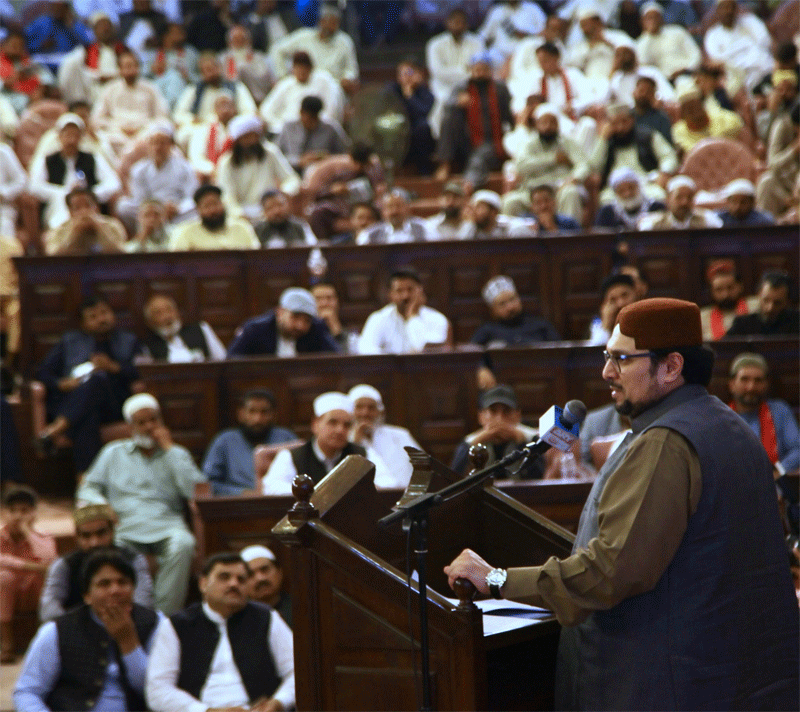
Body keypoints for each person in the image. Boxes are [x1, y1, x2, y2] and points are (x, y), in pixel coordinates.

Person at [444, 298, 799, 710]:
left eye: (621, 359)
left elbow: (612, 572)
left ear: (671, 367)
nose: (606, 372)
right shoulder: (728, 426)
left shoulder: (666, 442)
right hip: (732, 678)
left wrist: (498, 580)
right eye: (606, 356)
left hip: (664, 685)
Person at [76, 393, 207, 615]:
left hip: (167, 525)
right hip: (125, 527)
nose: (148, 427)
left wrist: (170, 450)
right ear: (130, 427)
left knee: (183, 544)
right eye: (141, 422)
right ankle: (136, 615)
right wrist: (103, 506)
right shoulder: (112, 453)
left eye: (153, 420)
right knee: (114, 550)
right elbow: (87, 488)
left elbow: (195, 490)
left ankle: (164, 617)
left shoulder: (176, 454)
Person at [145, 552, 295, 712]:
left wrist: (278, 702)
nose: (233, 584)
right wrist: (205, 711)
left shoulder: (267, 617)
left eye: (241, 579)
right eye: (224, 577)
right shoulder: (177, 625)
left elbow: (297, 672)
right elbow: (157, 690)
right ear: (203, 583)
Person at [14, 548, 161, 712]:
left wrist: (128, 642)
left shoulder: (155, 624)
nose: (115, 590)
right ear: (87, 596)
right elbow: (27, 692)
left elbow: (157, 692)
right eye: (104, 584)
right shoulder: (57, 631)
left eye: (123, 582)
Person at [34, 295, 141, 473]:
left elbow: (143, 373)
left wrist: (113, 367)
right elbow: (42, 372)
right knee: (87, 416)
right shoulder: (70, 342)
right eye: (93, 316)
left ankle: (54, 431)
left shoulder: (129, 341)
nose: (102, 319)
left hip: (114, 404)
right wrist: (61, 384)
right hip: (77, 403)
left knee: (98, 379)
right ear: (83, 324)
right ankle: (85, 484)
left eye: (104, 313)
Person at [39, 503, 153, 624]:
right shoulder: (64, 565)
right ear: (76, 538)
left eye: (101, 533)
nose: (95, 543)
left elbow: (143, 604)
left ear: (112, 532)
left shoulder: (132, 560)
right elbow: (48, 609)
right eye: (86, 536)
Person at [28, 111, 121, 231]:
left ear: (81, 138)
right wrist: (61, 192)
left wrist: (89, 193)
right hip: (58, 202)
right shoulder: (47, 160)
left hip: (88, 205)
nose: (71, 140)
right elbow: (34, 186)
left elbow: (113, 183)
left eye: (75, 135)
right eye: (67, 135)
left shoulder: (92, 158)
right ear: (59, 136)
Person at [262, 391, 366, 495]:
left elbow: (381, 483)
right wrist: (313, 492)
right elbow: (271, 488)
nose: (340, 430)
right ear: (315, 424)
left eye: (347, 425)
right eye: (332, 422)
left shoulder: (361, 453)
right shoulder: (292, 456)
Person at [435, 51, 513, 190]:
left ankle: (468, 185)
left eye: (484, 69)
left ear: (490, 71)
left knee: (481, 155)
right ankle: (444, 163)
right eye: (477, 69)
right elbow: (448, 105)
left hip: (490, 140)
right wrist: (457, 103)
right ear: (470, 70)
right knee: (449, 116)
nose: (480, 73)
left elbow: (509, 115)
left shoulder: (500, 88)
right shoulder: (462, 87)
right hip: (466, 138)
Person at [501, 102, 587, 221]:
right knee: (510, 201)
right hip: (532, 191)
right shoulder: (528, 143)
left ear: (558, 124)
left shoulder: (567, 142)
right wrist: (553, 159)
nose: (548, 126)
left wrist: (574, 178)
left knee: (571, 193)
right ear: (537, 124)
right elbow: (521, 166)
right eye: (544, 122)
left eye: (552, 122)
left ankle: (569, 238)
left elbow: (583, 164)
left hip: (559, 189)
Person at [471, 275, 560, 389]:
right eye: (502, 304)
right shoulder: (486, 331)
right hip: (501, 388)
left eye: (512, 299)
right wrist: (481, 369)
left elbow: (559, 353)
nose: (510, 307)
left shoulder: (540, 325)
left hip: (542, 383)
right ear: (492, 309)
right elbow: (471, 356)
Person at [203, 389, 297, 496]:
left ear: (273, 415)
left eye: (264, 412)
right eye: (252, 411)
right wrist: (243, 493)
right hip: (236, 505)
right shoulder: (224, 441)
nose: (258, 419)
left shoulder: (286, 438)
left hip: (279, 502)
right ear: (241, 414)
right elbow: (208, 483)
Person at [0, 485, 57, 662]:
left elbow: (49, 562)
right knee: (4, 577)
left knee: (49, 577)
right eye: (12, 511)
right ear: (4, 513)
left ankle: (45, 641)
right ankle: (7, 645)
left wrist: (27, 530)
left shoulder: (43, 537)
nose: (17, 516)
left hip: (33, 594)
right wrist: (31, 566)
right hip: (6, 596)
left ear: (34, 513)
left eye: (24, 511)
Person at [115, 121, 198, 235]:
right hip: (150, 211)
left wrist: (177, 208)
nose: (158, 147)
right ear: (148, 145)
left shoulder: (185, 166)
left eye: (163, 143)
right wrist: (158, 210)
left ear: (171, 145)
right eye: (154, 143)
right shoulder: (139, 169)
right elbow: (140, 198)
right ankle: (146, 233)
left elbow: (191, 196)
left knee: (195, 210)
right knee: (123, 207)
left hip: (176, 211)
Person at [216, 114, 300, 223]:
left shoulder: (270, 152)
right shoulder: (226, 163)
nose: (251, 141)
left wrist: (284, 192)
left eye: (254, 136)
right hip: (242, 213)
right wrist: (239, 214)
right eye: (247, 137)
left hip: (271, 209)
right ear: (237, 141)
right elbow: (227, 197)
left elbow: (291, 179)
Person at [728, 352, 799, 478]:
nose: (751, 387)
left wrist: (779, 471)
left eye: (758, 380)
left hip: (774, 485)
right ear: (732, 384)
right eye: (745, 379)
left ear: (766, 384)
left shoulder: (779, 410)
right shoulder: (721, 416)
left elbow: (798, 449)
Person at [450, 385, 541, 479]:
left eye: (506, 411)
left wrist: (522, 444)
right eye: (493, 411)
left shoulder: (532, 438)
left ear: (518, 415)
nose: (499, 419)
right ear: (481, 416)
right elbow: (453, 478)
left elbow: (540, 480)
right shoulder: (470, 442)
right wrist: (474, 444)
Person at [91, 49, 169, 158]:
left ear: (139, 68)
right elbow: (97, 118)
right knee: (101, 143)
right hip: (116, 133)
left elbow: (162, 116)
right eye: (127, 66)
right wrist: (118, 127)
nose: (131, 70)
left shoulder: (150, 88)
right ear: (120, 69)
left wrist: (143, 127)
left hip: (144, 132)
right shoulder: (110, 89)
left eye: (134, 66)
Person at [357, 267, 451, 355]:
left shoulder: (437, 319)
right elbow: (366, 350)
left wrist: (412, 316)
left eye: (410, 289)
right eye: (399, 291)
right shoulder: (378, 319)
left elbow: (425, 352)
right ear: (391, 294)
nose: (405, 296)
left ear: (420, 290)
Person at [269, 3, 358, 93]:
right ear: (321, 21)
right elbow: (277, 49)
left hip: (333, 88)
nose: (330, 27)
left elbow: (352, 70)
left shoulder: (345, 42)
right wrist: (282, 76)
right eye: (328, 22)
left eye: (334, 23)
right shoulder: (304, 36)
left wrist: (347, 78)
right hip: (303, 85)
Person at [228, 286, 339, 357]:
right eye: (295, 317)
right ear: (280, 313)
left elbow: (335, 358)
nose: (300, 326)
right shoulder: (255, 329)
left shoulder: (316, 328)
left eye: (307, 321)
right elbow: (232, 360)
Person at [347, 384, 421, 489]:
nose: (365, 413)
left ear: (380, 412)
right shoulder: (343, 439)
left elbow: (423, 466)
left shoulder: (400, 435)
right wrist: (355, 443)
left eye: (371, 408)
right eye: (359, 407)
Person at [426, 7, 484, 138]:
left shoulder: (477, 42)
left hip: (470, 85)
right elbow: (437, 73)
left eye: (462, 23)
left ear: (467, 25)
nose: (458, 26)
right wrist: (465, 69)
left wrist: (462, 74)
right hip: (442, 86)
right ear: (447, 23)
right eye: (455, 22)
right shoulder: (434, 44)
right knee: (441, 102)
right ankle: (440, 142)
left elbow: (479, 70)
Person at [261, 50, 344, 136]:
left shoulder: (324, 81)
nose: (301, 72)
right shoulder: (286, 84)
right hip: (284, 130)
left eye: (304, 68)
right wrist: (281, 125)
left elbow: (331, 111)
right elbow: (266, 110)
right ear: (293, 69)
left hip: (316, 130)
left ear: (310, 68)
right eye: (297, 68)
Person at [56, 11, 122, 105]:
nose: (105, 29)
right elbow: (82, 72)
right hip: (94, 91)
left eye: (107, 25)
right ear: (94, 30)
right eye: (101, 26)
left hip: (118, 88)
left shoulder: (122, 49)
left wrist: (113, 77)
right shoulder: (86, 51)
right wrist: (98, 77)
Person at [169, 184, 260, 251]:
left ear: (223, 204)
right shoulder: (185, 232)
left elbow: (255, 259)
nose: (213, 210)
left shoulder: (242, 227)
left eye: (215, 203)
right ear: (198, 210)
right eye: (207, 206)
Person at [275, 94, 349, 175]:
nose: (313, 122)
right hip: (291, 173)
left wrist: (325, 158)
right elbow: (276, 156)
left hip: (322, 174)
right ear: (301, 112)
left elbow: (345, 154)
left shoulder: (330, 128)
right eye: (309, 118)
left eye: (315, 118)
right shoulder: (288, 127)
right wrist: (299, 161)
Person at [141, 293, 226, 363]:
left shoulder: (200, 328)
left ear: (177, 312)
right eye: (158, 313)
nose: (167, 317)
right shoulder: (148, 346)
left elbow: (222, 359)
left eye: (169, 310)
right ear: (150, 322)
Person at [43, 187, 127, 256]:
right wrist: (74, 233)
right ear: (70, 212)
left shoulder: (112, 225)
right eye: (77, 208)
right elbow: (53, 256)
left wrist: (99, 228)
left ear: (97, 208)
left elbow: (122, 253)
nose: (84, 211)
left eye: (88, 205)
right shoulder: (59, 230)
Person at [670, 82, 743, 157]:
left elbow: (738, 124)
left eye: (695, 106)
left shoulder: (724, 118)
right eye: (688, 109)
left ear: (702, 105)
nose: (693, 112)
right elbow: (691, 151)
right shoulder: (678, 131)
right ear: (682, 113)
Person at [635, 1, 701, 83]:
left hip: (689, 74)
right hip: (664, 81)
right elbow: (644, 66)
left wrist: (687, 69)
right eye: (649, 18)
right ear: (642, 21)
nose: (653, 21)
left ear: (662, 18)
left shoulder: (677, 31)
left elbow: (695, 54)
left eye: (656, 17)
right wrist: (649, 35)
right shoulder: (640, 43)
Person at [699, 259, 758, 341]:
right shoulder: (702, 317)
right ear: (711, 292)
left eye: (730, 288)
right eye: (719, 290)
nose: (725, 295)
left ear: (740, 287)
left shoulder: (756, 306)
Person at [726, 270, 800, 336]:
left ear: (787, 301)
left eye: (777, 303)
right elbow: (722, 349)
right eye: (766, 300)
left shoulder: (797, 322)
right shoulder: (742, 324)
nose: (770, 308)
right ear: (758, 295)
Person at [638, 175, 723, 230]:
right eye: (679, 197)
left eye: (689, 197)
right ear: (668, 200)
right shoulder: (656, 223)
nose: (684, 202)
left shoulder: (706, 219)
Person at [593, 167, 665, 230]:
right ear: (615, 194)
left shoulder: (656, 208)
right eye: (621, 191)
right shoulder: (606, 213)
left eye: (631, 188)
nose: (627, 193)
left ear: (638, 187)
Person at [356, 188, 432, 244]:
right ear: (383, 211)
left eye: (399, 206)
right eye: (390, 207)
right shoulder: (370, 234)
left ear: (408, 208)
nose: (394, 211)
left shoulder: (425, 228)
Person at [241, 544, 291, 626]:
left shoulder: (299, 610)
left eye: (265, 570)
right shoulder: (238, 619)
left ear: (279, 572)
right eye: (250, 574)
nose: (260, 578)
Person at [587, 272, 638, 345]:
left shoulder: (647, 316)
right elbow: (596, 352)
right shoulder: (597, 324)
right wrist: (606, 325)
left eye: (624, 295)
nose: (621, 303)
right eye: (613, 299)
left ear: (635, 294)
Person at [310, 282, 356, 353]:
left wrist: (337, 333)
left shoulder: (351, 335)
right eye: (318, 298)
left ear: (337, 302)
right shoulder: (301, 331)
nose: (324, 303)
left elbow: (346, 359)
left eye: (329, 298)